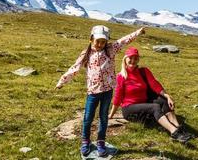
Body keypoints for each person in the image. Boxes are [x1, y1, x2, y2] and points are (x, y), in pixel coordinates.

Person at [55, 25, 146, 157]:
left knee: (103, 117)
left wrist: (138, 32)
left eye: (103, 41)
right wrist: (62, 81)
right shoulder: (86, 54)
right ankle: (85, 142)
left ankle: (100, 142)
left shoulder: (111, 50)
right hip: (92, 92)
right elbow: (75, 68)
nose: (100, 44)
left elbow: (124, 40)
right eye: (98, 41)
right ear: (91, 39)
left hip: (107, 91)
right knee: (88, 118)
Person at [109, 47, 192, 143]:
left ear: (138, 59)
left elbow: (154, 84)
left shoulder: (144, 71)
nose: (133, 60)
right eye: (130, 58)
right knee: (155, 107)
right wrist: (111, 115)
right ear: (125, 59)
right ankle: (174, 132)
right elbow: (117, 97)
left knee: (164, 101)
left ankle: (178, 127)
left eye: (136, 58)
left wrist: (167, 96)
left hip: (144, 103)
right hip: (129, 108)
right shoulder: (121, 76)